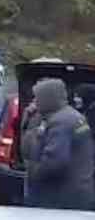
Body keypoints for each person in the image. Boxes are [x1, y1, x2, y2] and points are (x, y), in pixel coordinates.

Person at [23, 78, 95, 210]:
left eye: (37, 98)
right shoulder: (69, 116)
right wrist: (30, 119)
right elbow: (28, 147)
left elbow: (54, 163)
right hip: (75, 193)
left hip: (62, 199)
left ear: (47, 98)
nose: (34, 102)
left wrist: (32, 171)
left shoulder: (60, 122)